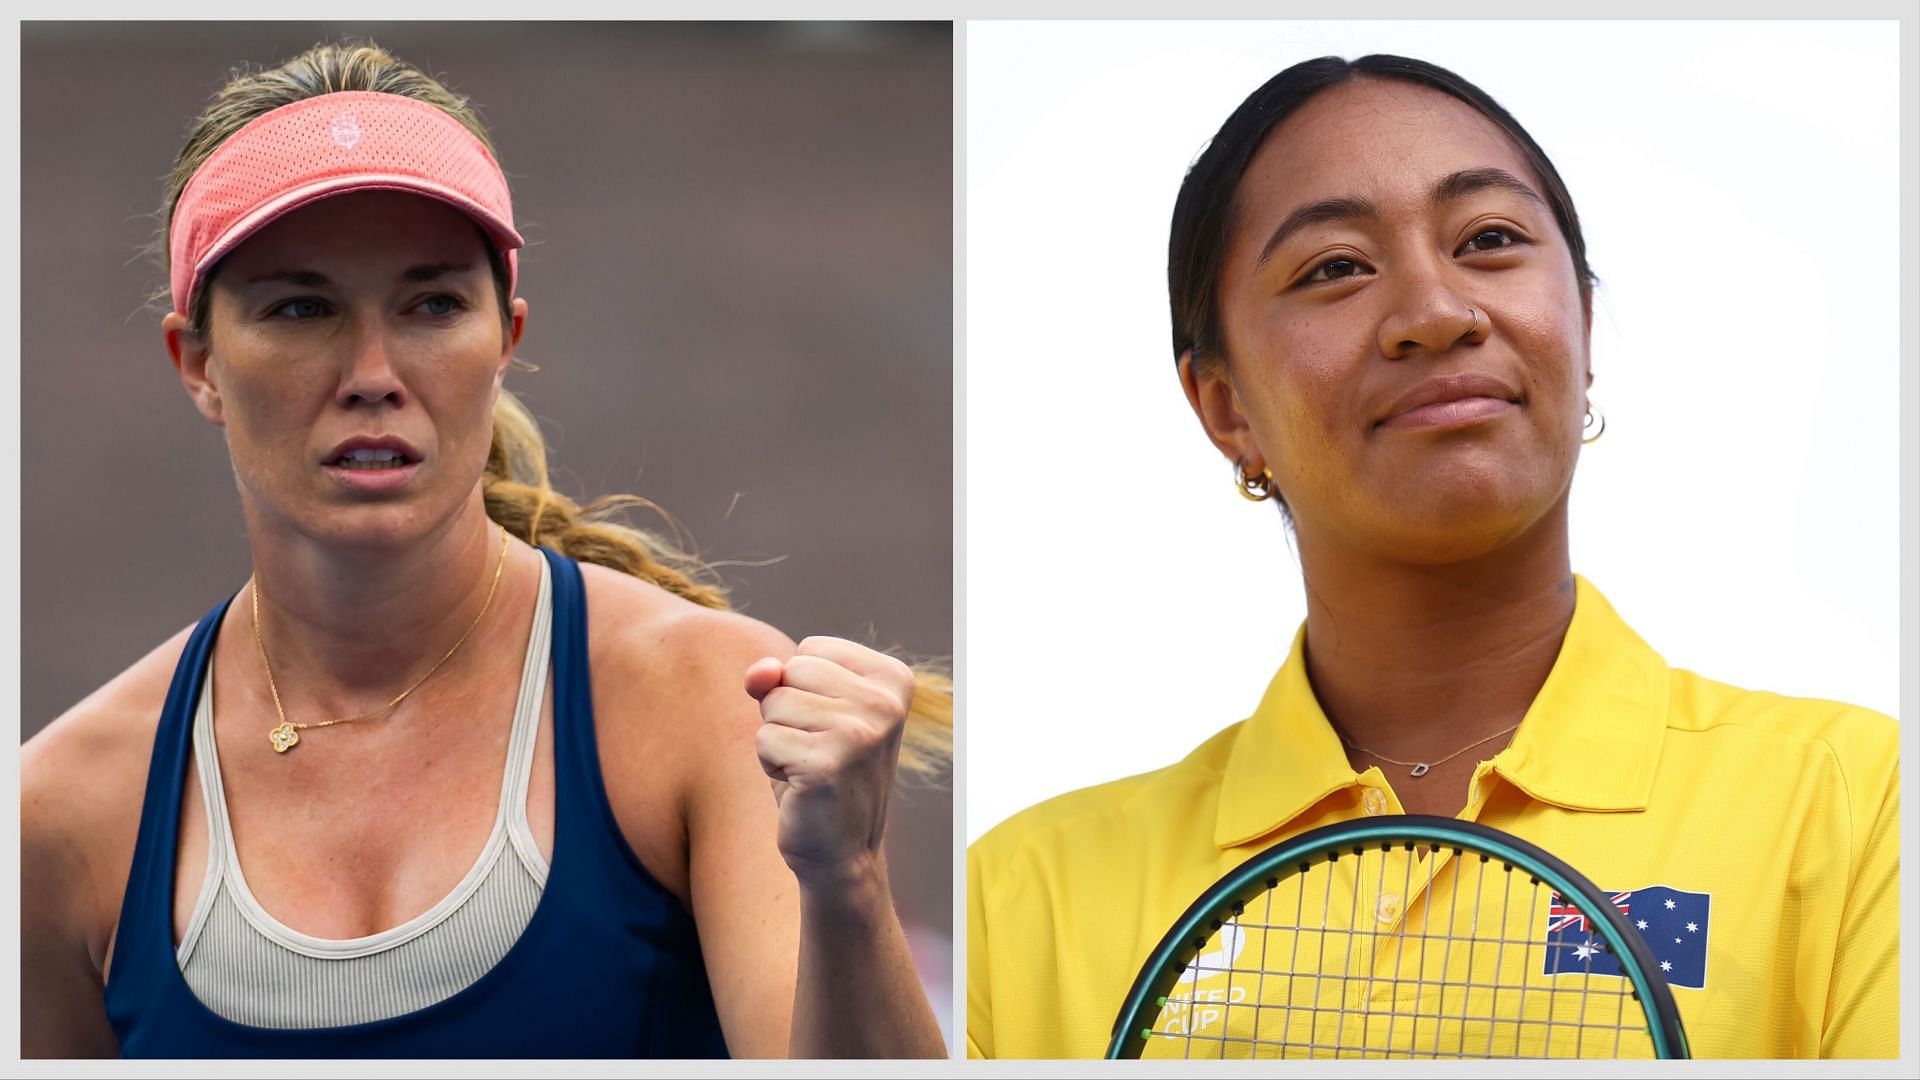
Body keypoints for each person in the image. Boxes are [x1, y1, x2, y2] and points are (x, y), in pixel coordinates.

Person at [21, 41, 949, 1059]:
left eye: (431, 305)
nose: (373, 371)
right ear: (197, 363)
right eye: (301, 307)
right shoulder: (59, 814)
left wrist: (849, 884)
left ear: (505, 339)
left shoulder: (704, 705)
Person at [966, 53, 1897, 1060]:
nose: (1436, 312)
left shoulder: (1860, 806)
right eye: (1335, 268)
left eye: (1489, 240)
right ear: (1224, 406)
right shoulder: (1021, 901)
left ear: (1583, 327)